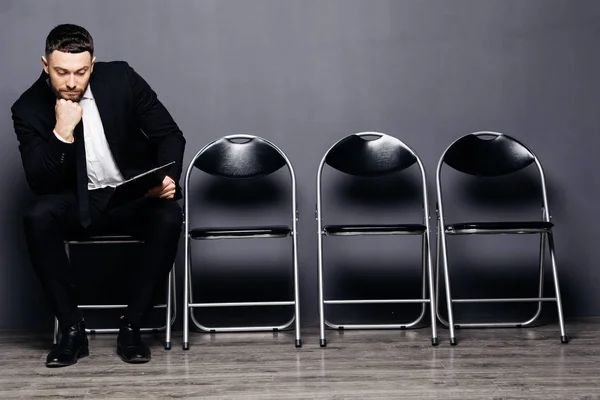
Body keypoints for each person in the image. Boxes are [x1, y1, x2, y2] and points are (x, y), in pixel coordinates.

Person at [11, 24, 186, 367]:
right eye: (61, 72)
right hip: (76, 202)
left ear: (92, 65)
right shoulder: (28, 108)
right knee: (37, 216)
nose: (72, 82)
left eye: (81, 72)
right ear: (45, 65)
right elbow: (39, 183)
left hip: (129, 195)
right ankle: (72, 331)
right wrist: (62, 131)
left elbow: (170, 135)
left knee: (168, 216)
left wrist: (166, 178)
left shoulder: (121, 78)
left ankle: (132, 325)